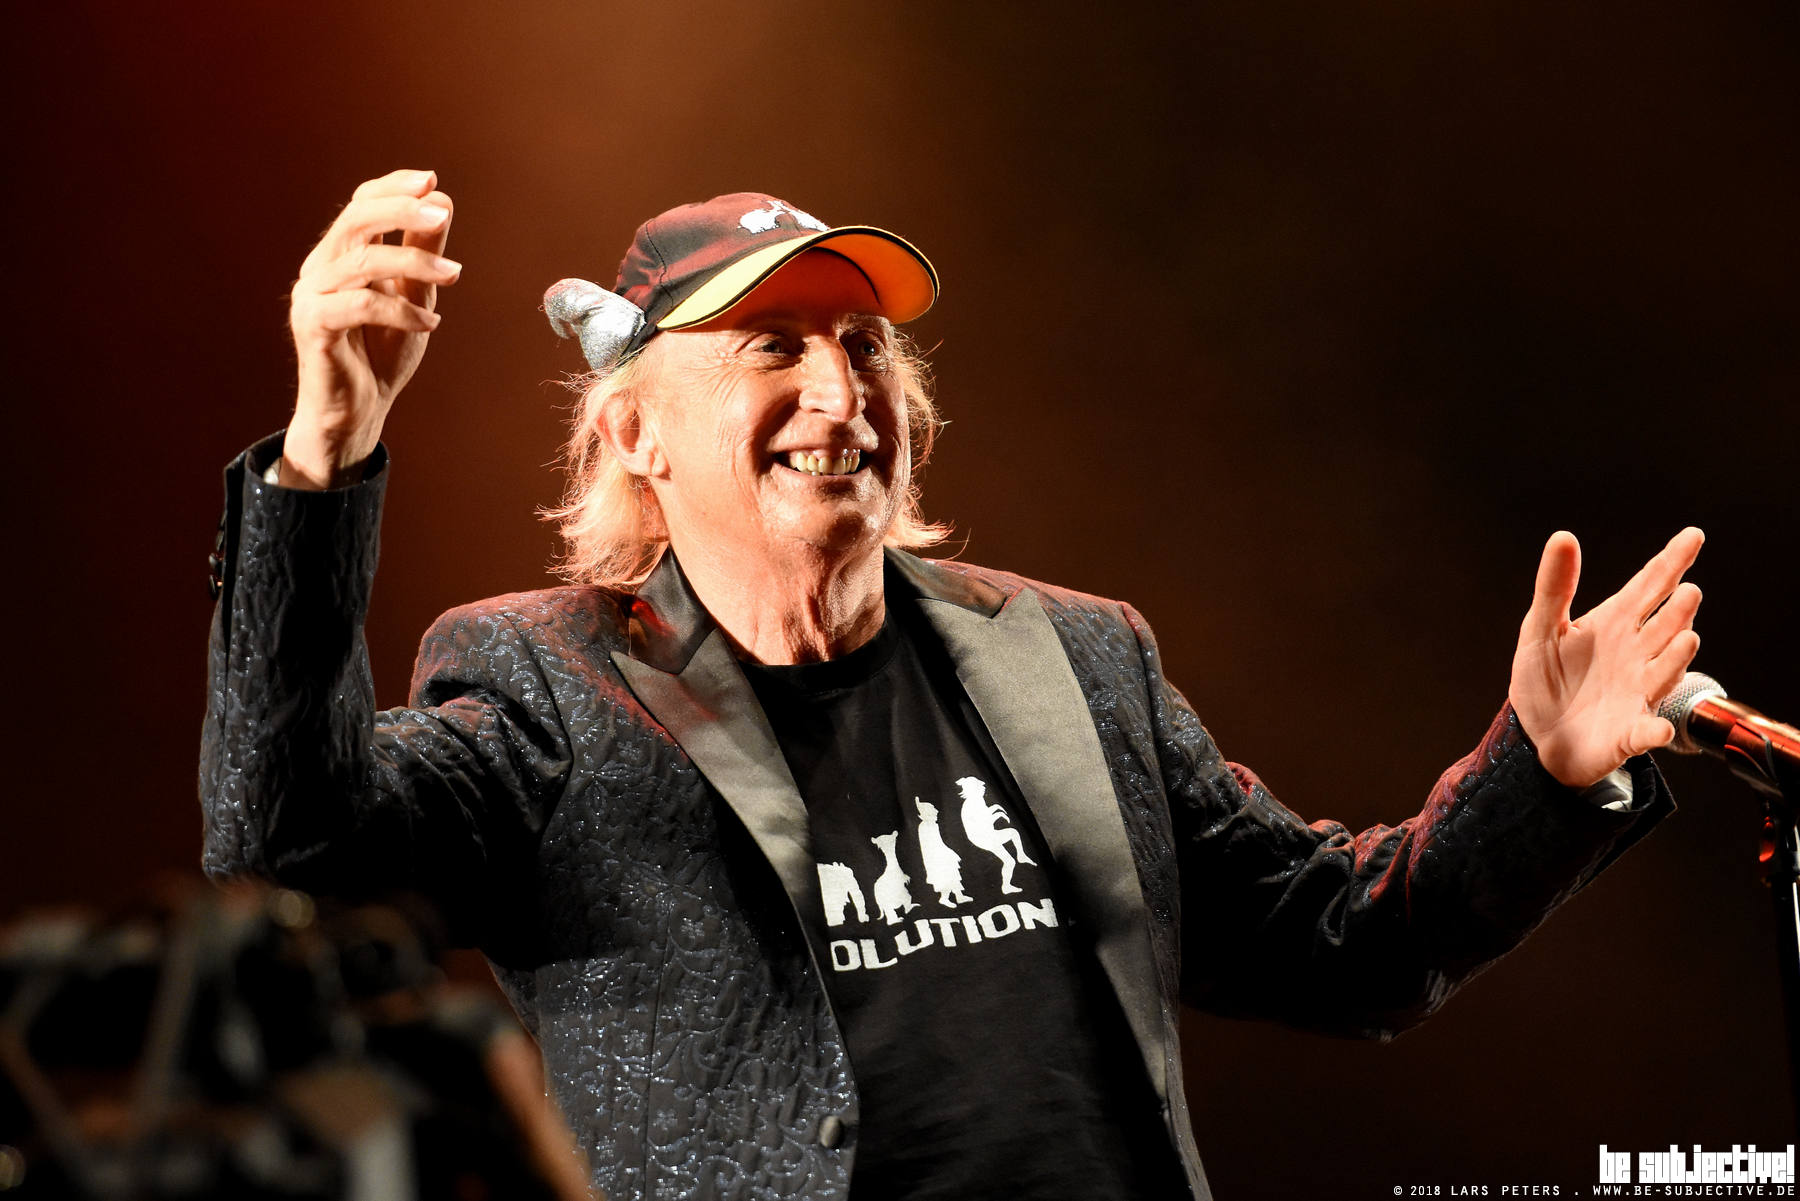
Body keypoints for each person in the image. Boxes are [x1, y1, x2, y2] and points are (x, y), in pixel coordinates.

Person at [200, 168, 1705, 1201]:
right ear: (636, 437)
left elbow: (1347, 945)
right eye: (772, 346)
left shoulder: (1078, 655)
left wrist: (1542, 771)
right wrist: (324, 457)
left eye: (863, 343)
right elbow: (286, 849)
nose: (840, 388)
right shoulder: (546, 686)